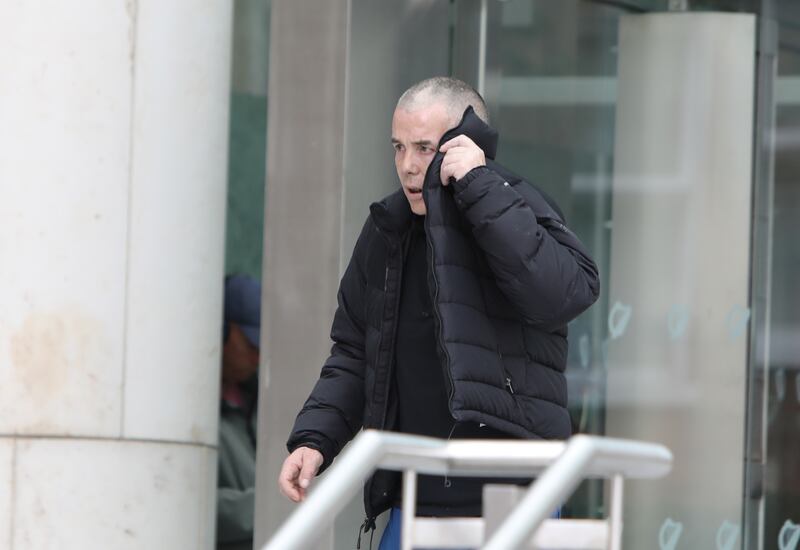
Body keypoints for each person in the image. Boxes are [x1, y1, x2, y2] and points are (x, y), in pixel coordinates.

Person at [278, 76, 600, 548]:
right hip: (415, 497)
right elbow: (355, 352)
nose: (408, 166)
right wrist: (314, 438)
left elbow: (564, 294)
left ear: (466, 143)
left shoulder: (513, 202)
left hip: (514, 496)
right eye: (398, 147)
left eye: (424, 148)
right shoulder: (387, 230)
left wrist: (478, 185)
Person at [217, 274, 262, 550]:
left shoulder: (257, 400)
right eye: (250, 344)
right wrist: (271, 504)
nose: (258, 357)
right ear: (221, 330)